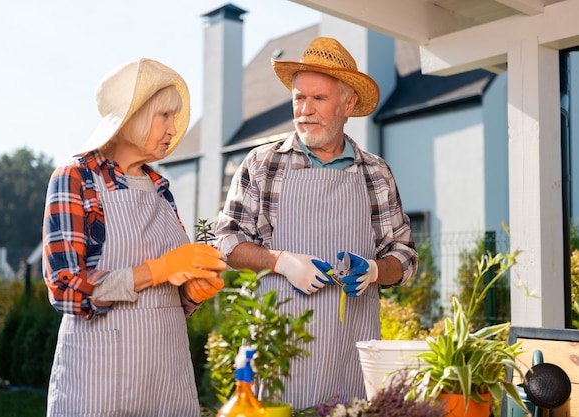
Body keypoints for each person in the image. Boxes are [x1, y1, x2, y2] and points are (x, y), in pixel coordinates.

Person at [215, 38, 418, 408]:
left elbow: (404, 256)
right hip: (280, 349)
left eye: (319, 99)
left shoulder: (375, 172)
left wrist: (375, 270)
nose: (304, 110)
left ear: (348, 103)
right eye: (298, 98)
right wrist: (281, 262)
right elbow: (227, 242)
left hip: (350, 351)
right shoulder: (263, 164)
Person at [42, 58, 227, 417]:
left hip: (168, 381)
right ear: (131, 116)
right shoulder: (76, 180)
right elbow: (65, 289)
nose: (174, 128)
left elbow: (170, 296)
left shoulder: (161, 190)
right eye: (164, 116)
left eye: (175, 117)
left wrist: (192, 293)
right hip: (100, 383)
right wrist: (156, 270)